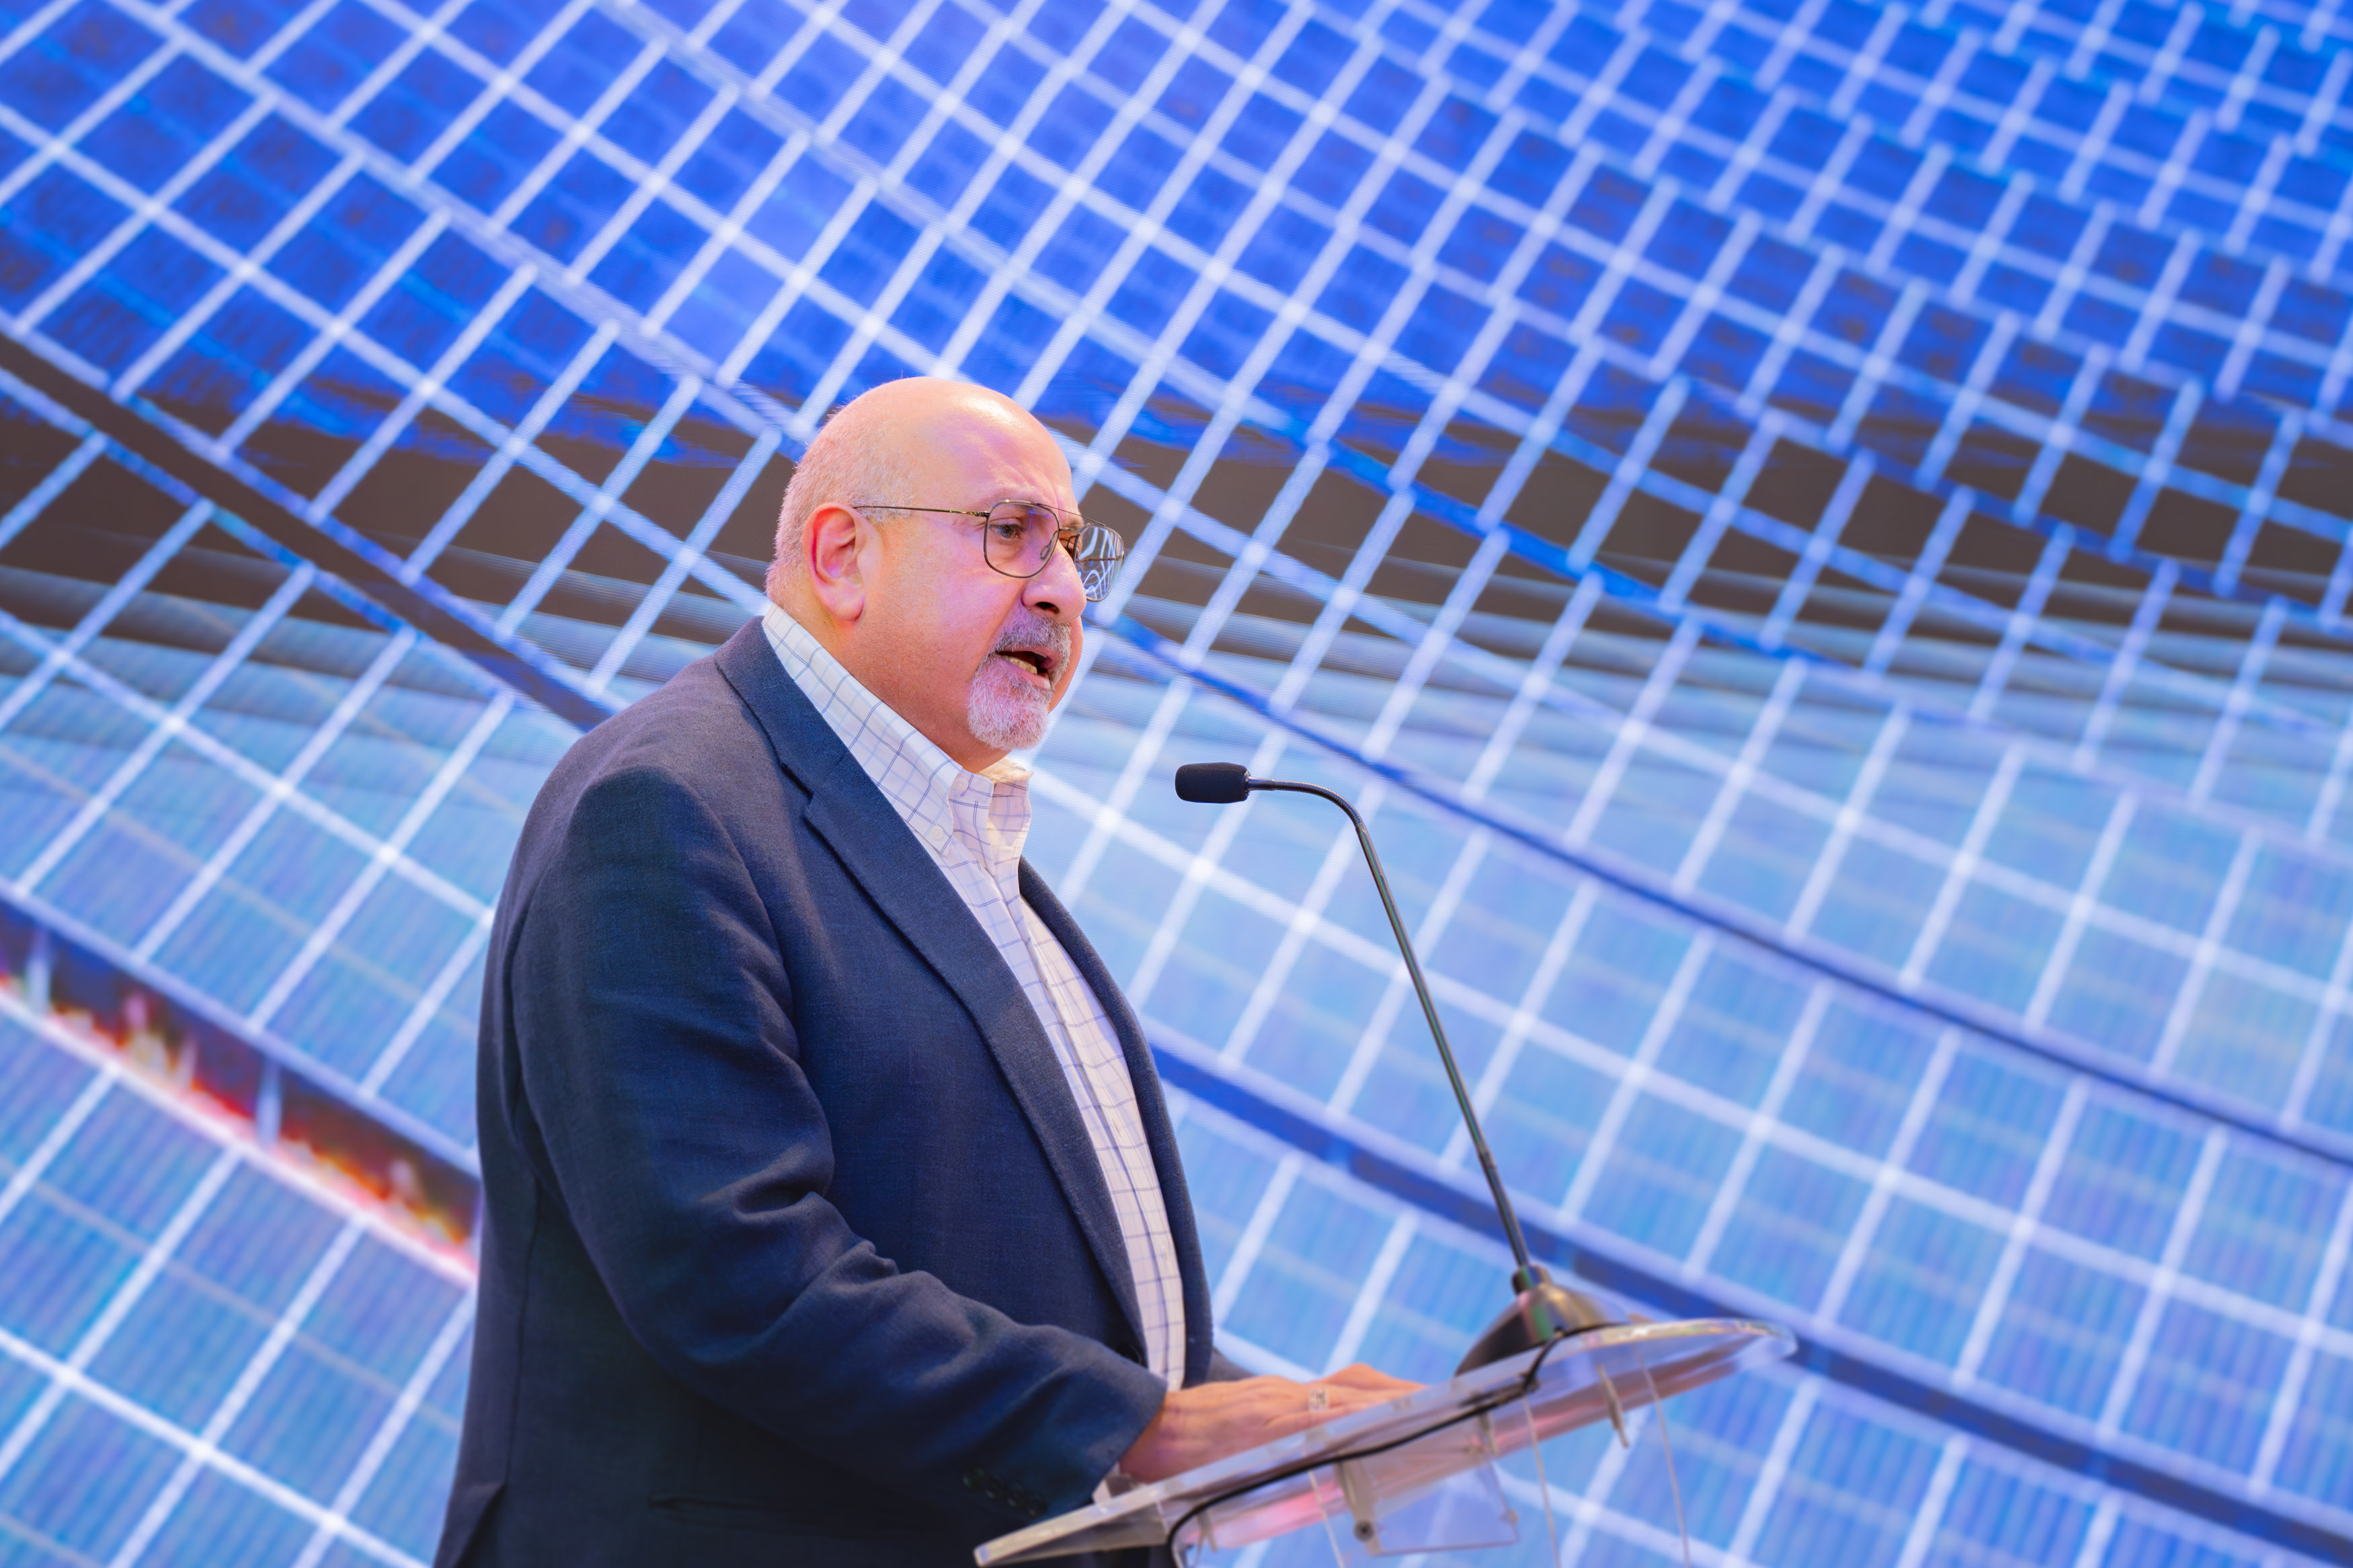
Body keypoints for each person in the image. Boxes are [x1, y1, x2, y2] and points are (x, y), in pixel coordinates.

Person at [436, 377, 1414, 1567]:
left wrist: (1297, 1421)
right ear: (841, 555)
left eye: (1074, 550)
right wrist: (1145, 1427)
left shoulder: (953, 844)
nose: (1060, 588)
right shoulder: (667, 805)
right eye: (1011, 534)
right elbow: (733, 1267)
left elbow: (1018, 1272)